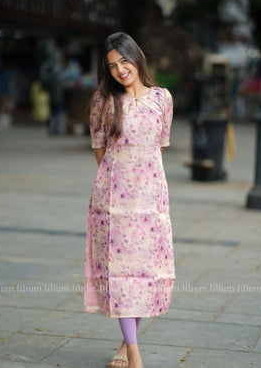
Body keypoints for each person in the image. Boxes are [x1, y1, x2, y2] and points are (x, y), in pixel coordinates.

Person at [84, 32, 175, 368]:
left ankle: (126, 342)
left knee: (145, 272)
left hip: (152, 199)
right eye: (112, 66)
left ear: (137, 58)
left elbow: (159, 147)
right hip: (115, 201)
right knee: (122, 272)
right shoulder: (104, 102)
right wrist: (117, 181)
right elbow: (99, 146)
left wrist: (142, 182)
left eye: (124, 61)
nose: (120, 70)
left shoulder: (162, 98)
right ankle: (135, 354)